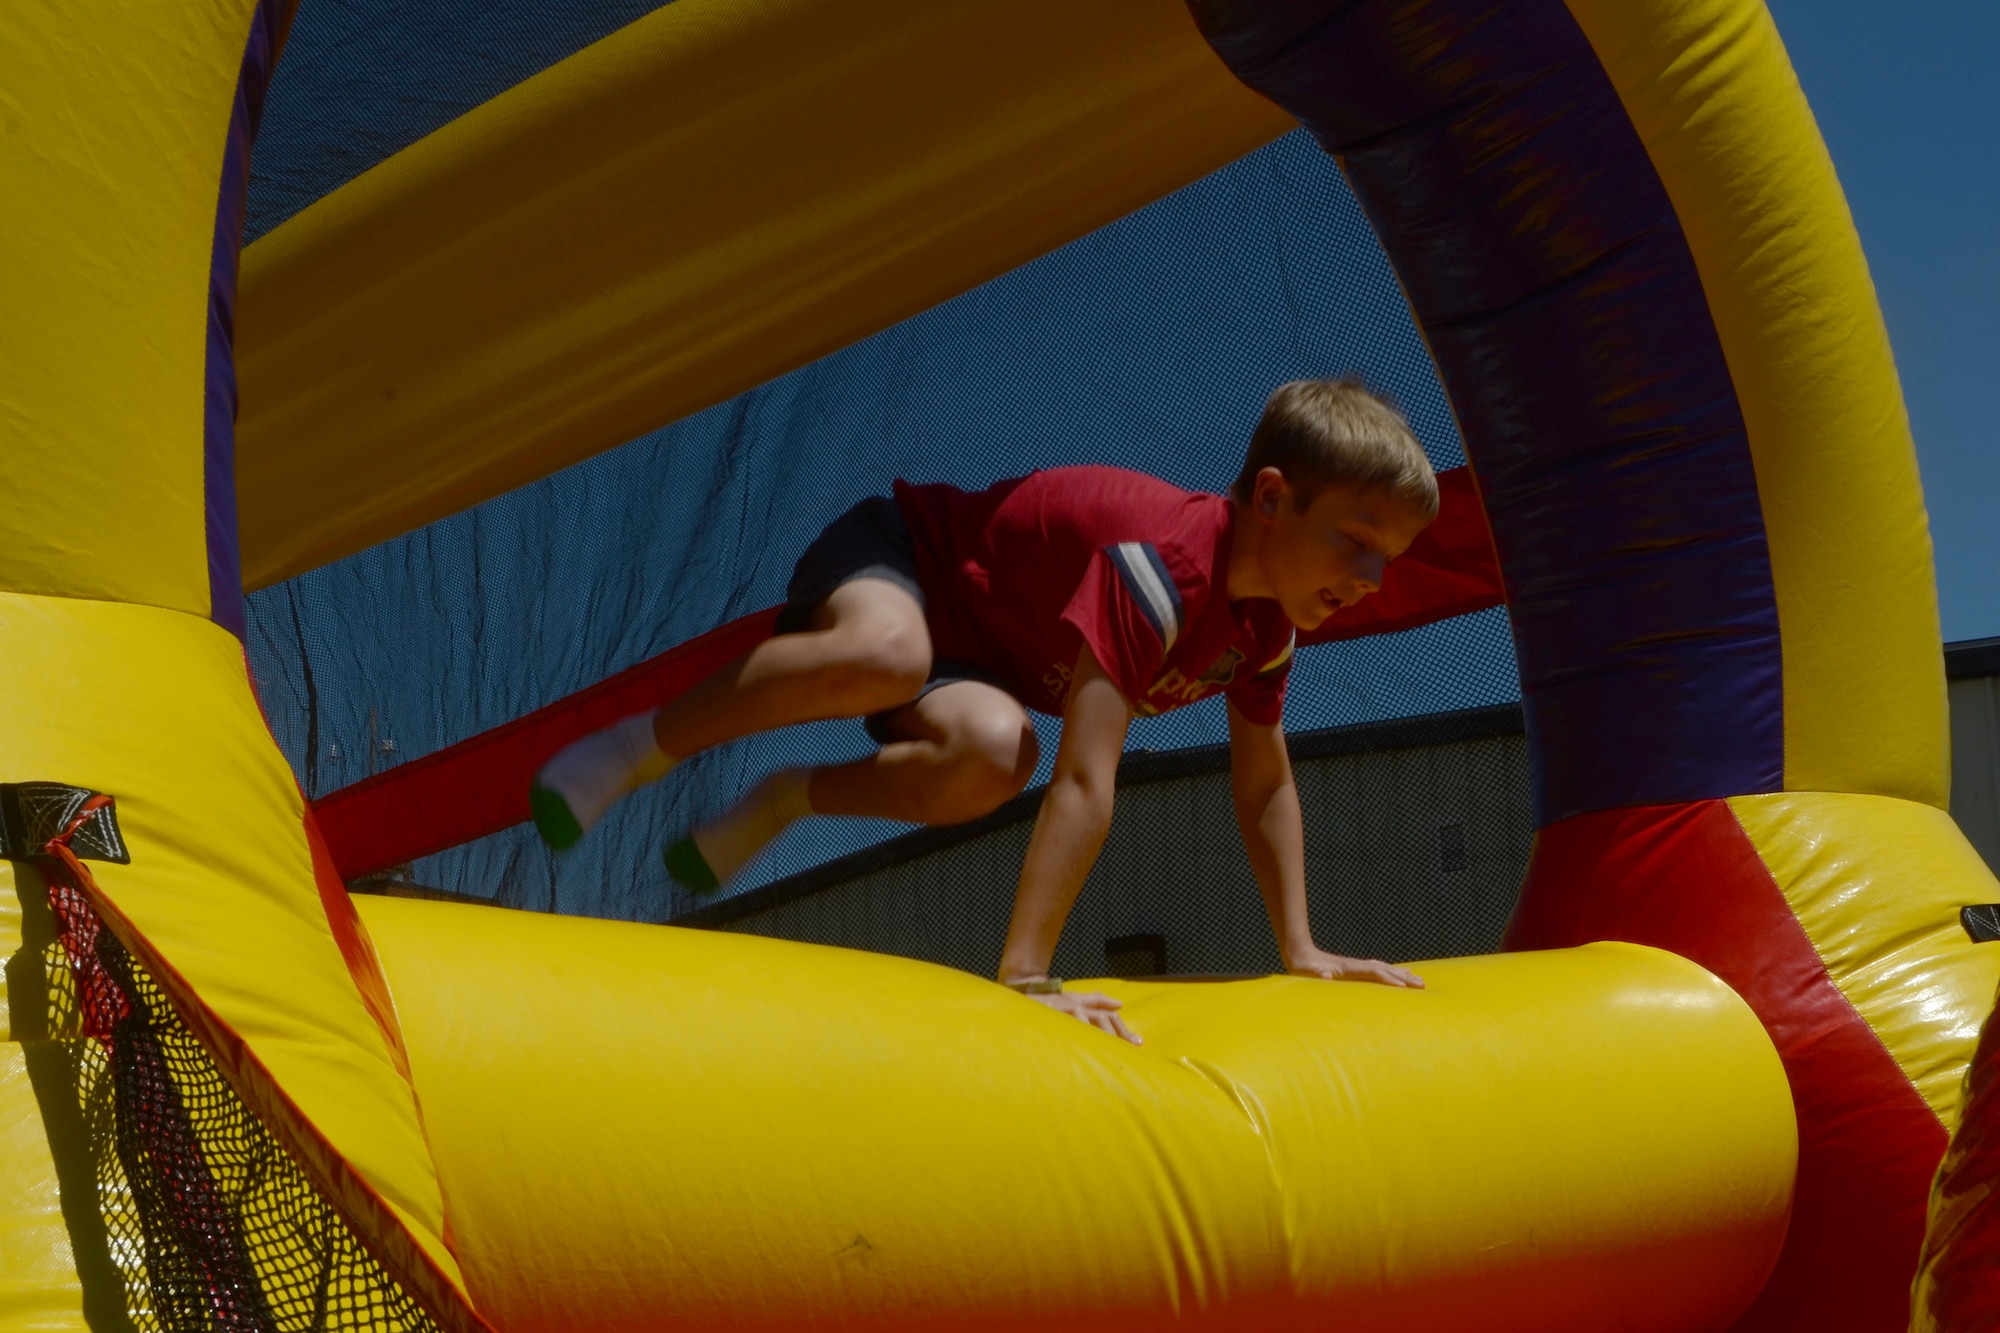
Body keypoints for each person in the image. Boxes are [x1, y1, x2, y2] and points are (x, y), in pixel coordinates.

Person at [531, 378, 1435, 1042]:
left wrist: (1302, 946)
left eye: (1386, 558)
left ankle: (784, 798)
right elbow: (1088, 774)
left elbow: (1265, 781)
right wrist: (1028, 976)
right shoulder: (1164, 569)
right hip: (905, 563)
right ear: (1273, 498)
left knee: (996, 758)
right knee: (887, 656)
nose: (1368, 580)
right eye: (1354, 543)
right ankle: (632, 748)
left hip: (982, 667)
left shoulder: (1266, 629)